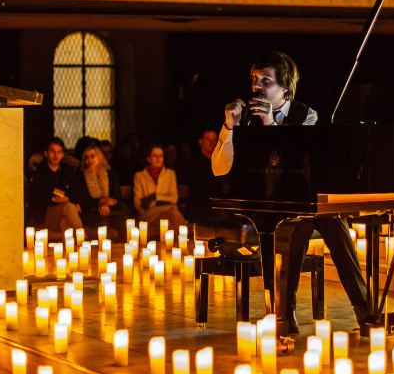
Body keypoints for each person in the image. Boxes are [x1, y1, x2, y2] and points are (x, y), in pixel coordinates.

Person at [212, 51, 369, 336]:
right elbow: (219, 169)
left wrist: (271, 125)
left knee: (333, 223)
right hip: (265, 201)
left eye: (266, 81)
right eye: (254, 79)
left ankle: (364, 310)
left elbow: (297, 162)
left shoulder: (306, 115)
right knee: (292, 226)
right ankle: (284, 314)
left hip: (305, 198)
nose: (257, 86)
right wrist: (229, 126)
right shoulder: (243, 117)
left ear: (285, 87)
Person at [28, 137, 84, 237]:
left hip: (65, 212)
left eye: (59, 152)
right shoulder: (39, 173)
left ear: (62, 155)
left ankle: (73, 244)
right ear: (46, 153)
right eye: (52, 151)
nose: (56, 155)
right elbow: (37, 197)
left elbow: (77, 191)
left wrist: (69, 199)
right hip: (47, 213)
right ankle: (83, 239)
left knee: (65, 222)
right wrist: (56, 200)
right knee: (69, 207)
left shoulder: (68, 171)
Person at [133, 145, 187, 234]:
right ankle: (184, 236)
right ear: (148, 159)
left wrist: (155, 197)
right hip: (148, 214)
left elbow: (174, 199)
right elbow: (138, 203)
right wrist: (162, 201)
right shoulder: (139, 176)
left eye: (161, 156)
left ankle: (178, 238)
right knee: (173, 211)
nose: (158, 159)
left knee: (168, 217)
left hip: (167, 212)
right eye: (155, 156)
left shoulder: (170, 174)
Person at [74, 143, 118, 230]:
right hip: (91, 212)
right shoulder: (80, 177)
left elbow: (117, 196)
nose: (89, 160)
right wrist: (101, 202)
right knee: (101, 221)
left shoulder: (111, 175)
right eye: (86, 157)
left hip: (111, 211)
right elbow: (83, 200)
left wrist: (106, 204)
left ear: (99, 157)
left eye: (92, 156)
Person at [181, 129, 222, 220]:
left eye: (214, 140)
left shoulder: (221, 163)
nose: (211, 142)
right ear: (200, 142)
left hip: (218, 207)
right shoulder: (191, 163)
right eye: (208, 139)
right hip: (199, 208)